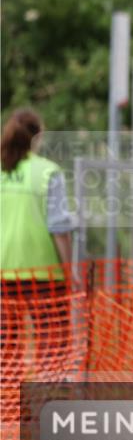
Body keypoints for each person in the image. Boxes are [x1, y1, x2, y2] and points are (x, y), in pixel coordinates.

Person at [1, 108, 75, 370]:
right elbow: (59, 229)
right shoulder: (48, 172)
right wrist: (69, 273)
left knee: (6, 351)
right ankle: (45, 407)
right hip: (44, 277)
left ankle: (7, 409)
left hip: (4, 276)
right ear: (38, 136)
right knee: (51, 349)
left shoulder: (3, 170)